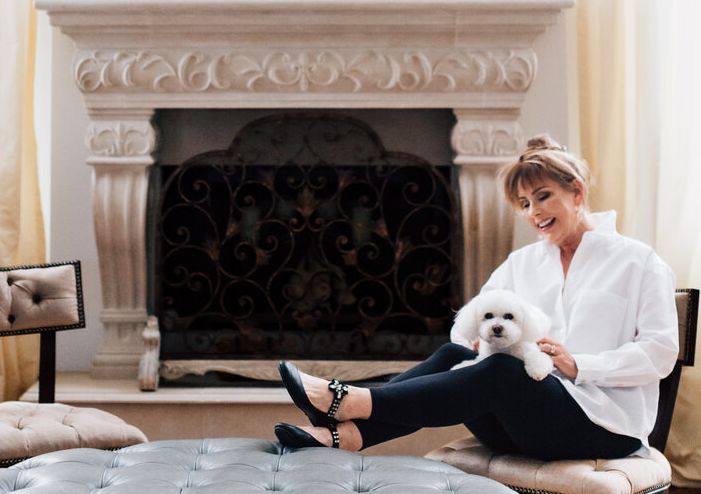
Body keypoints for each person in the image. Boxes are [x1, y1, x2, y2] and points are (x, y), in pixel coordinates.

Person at [274, 135, 679, 460]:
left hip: (602, 428)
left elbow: (660, 351)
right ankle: (346, 431)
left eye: (542, 196)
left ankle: (350, 409)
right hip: (520, 423)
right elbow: (465, 325)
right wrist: (471, 341)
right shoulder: (522, 263)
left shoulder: (638, 261)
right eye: (523, 204)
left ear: (576, 192)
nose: (533, 212)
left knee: (502, 370)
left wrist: (580, 365)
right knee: (457, 356)